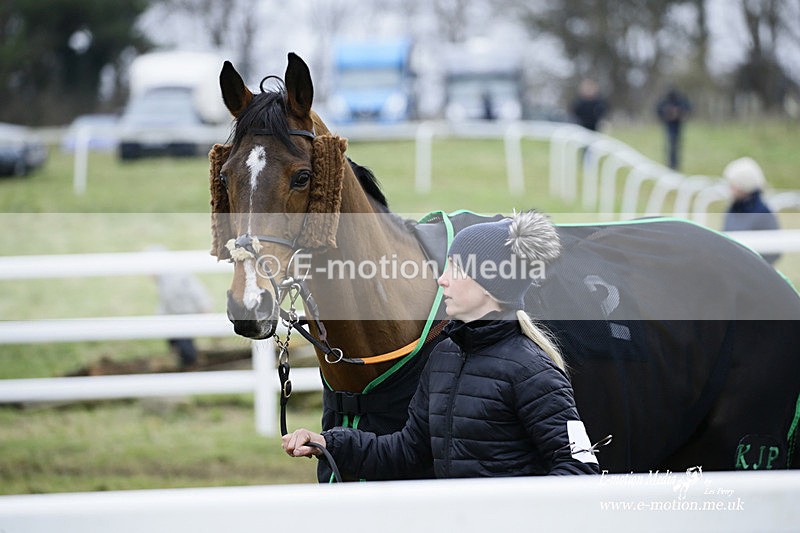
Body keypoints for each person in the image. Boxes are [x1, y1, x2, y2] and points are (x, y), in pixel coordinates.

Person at [283, 211, 601, 479]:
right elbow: (407, 450)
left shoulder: (534, 371)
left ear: (490, 285)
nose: (442, 279)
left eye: (456, 269)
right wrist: (328, 442)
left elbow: (578, 469)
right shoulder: (443, 357)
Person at [151, 246, 214, 367]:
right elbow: (165, 302)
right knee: (174, 339)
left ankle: (190, 363)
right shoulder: (162, 280)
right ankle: (182, 359)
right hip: (174, 316)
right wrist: (160, 316)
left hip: (186, 314)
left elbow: (197, 291)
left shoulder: (178, 277)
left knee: (184, 341)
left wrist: (205, 307)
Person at [722, 157, 781, 265]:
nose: (729, 189)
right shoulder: (733, 208)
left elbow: (774, 251)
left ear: (743, 186)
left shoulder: (763, 214)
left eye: (732, 185)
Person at [656, 87, 691, 170]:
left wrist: (681, 114)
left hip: (678, 124)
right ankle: (670, 163)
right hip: (669, 125)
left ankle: (675, 164)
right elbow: (658, 110)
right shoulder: (665, 101)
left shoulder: (680, 101)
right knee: (670, 143)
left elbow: (688, 108)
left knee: (676, 144)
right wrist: (666, 115)